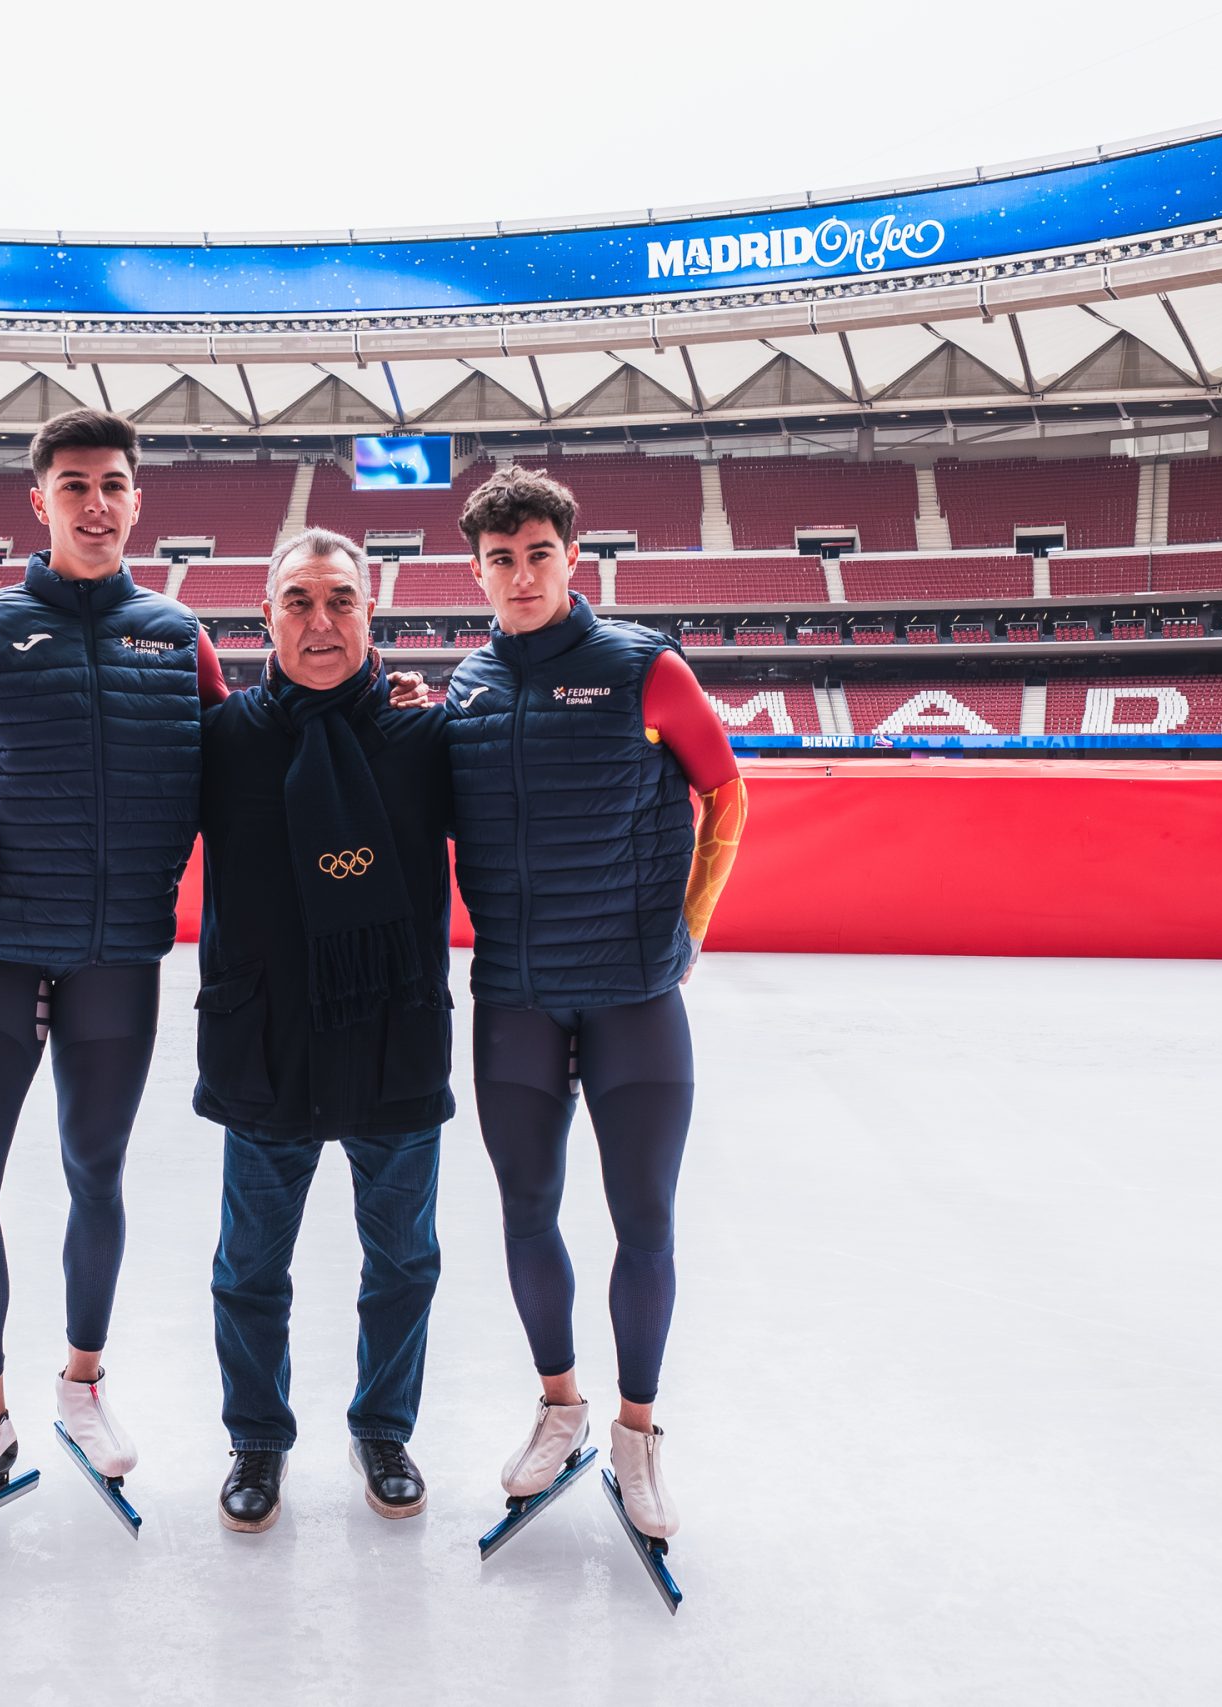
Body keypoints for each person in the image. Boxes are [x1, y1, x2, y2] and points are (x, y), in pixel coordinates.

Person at [0, 409, 225, 1537]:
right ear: (40, 502)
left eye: (115, 484)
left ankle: (82, 1385)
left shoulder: (181, 638)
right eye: (74, 485)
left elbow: (251, 786)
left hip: (119, 959)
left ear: (138, 500)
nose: (97, 503)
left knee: (97, 1174)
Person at [442, 465, 750, 1543]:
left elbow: (727, 792)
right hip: (515, 995)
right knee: (525, 1212)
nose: (520, 575)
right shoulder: (465, 688)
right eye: (499, 559)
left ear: (573, 558)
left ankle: (636, 1432)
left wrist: (692, 926)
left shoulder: (642, 666)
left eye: (537, 554)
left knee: (644, 1221)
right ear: (475, 569)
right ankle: (560, 1407)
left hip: (630, 992)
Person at [193, 529, 454, 1533]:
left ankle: (382, 1426)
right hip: (266, 1048)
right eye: (297, 601)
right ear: (266, 617)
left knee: (403, 1266)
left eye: (340, 601)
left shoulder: (423, 738)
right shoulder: (224, 740)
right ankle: (256, 1438)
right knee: (249, 1271)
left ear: (370, 617)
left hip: (392, 1042)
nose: (319, 621)